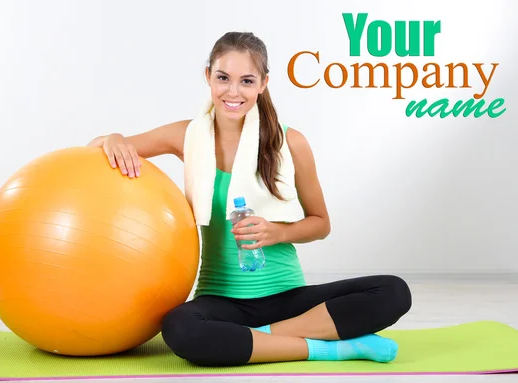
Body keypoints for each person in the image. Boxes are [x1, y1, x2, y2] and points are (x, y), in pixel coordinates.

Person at [87, 31, 412, 367]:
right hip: (222, 300)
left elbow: (321, 224)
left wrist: (278, 232)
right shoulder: (186, 136)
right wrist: (114, 137)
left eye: (246, 81)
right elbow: (98, 148)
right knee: (178, 328)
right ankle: (328, 347)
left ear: (263, 83)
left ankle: (260, 338)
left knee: (393, 291)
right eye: (223, 78)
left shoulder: (291, 142)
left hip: (288, 296)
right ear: (207, 76)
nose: (233, 91)